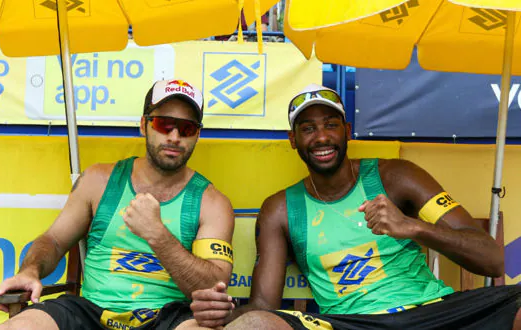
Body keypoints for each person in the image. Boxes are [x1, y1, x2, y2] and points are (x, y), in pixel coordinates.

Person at [187, 84, 521, 330]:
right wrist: (223, 313)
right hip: (352, 324)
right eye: (308, 128)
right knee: (255, 326)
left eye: (331, 125)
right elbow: (264, 305)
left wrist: (414, 227)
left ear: (347, 131)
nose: (321, 137)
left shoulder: (396, 176)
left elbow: (492, 260)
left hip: (435, 312)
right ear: (293, 140)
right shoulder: (280, 209)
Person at [0, 79, 235, 330]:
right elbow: (54, 240)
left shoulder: (212, 202)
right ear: (144, 125)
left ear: (198, 134)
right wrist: (30, 270)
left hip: (168, 317)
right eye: (164, 124)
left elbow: (212, 287)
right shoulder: (98, 180)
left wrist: (158, 235)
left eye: (186, 129)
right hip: (89, 312)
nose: (174, 137)